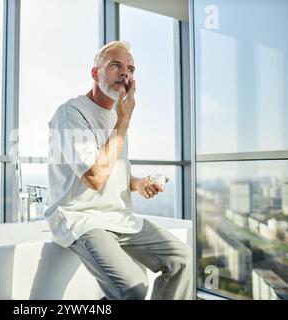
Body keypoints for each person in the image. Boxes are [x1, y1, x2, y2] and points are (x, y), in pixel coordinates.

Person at [44, 41, 193, 300]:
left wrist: (137, 183)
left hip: (120, 217)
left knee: (183, 259)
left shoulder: (116, 116)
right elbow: (94, 176)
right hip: (82, 219)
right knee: (133, 286)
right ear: (95, 73)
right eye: (116, 65)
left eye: (131, 69)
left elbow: (113, 171)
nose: (125, 73)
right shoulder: (71, 113)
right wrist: (124, 121)